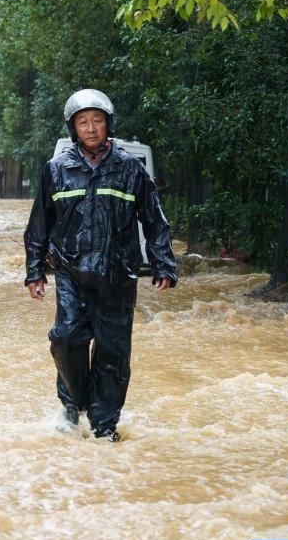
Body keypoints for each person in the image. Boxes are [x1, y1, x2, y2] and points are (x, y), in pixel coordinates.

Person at [23, 89, 177, 441]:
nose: (91, 128)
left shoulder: (130, 169)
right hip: (70, 272)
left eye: (97, 121)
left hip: (118, 274)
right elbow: (39, 225)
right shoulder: (57, 170)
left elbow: (155, 220)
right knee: (65, 338)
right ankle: (73, 405)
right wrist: (34, 271)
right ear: (72, 129)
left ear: (108, 124)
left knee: (112, 352)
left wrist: (163, 263)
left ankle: (104, 425)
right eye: (83, 122)